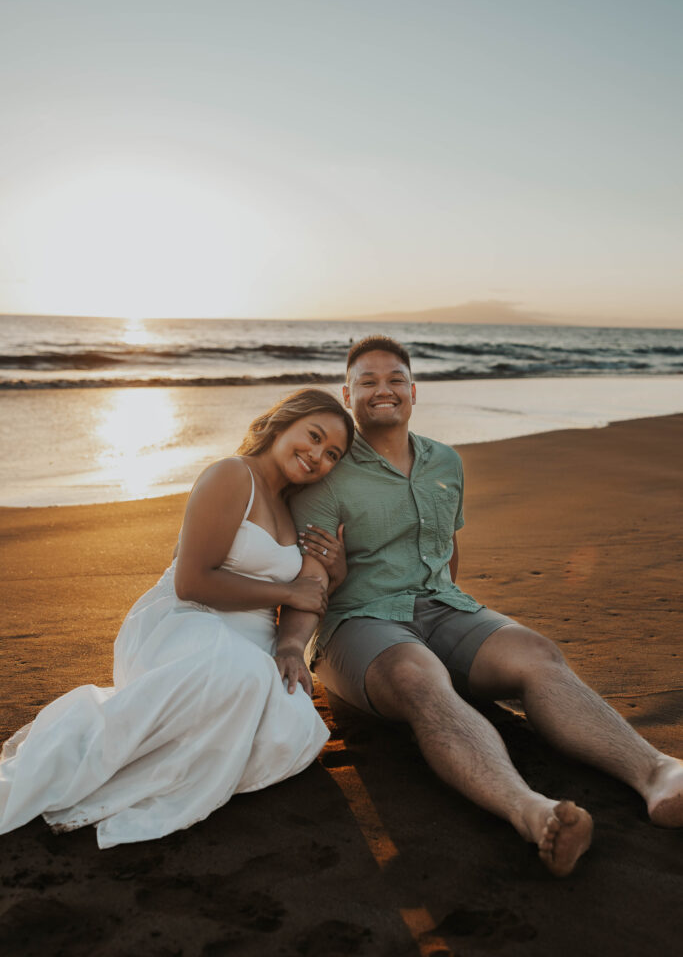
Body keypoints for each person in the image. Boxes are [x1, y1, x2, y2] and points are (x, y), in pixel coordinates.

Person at [284, 335, 683, 877]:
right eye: (368, 381)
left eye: (395, 379)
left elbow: (449, 551)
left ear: (414, 390)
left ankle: (658, 774)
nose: (384, 390)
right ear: (348, 394)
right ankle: (534, 812)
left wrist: (456, 629)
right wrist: (291, 644)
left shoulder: (444, 461)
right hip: (360, 623)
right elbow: (310, 579)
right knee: (417, 675)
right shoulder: (328, 473)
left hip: (442, 606)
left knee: (536, 654)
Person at [0, 388, 354, 849]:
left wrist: (332, 580)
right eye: (312, 435)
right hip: (186, 619)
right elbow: (193, 581)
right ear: (280, 424)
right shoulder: (232, 475)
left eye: (332, 454)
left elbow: (311, 594)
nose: (316, 455)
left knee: (296, 729)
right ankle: (76, 766)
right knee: (240, 675)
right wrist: (287, 589)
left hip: (252, 639)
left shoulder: (295, 509)